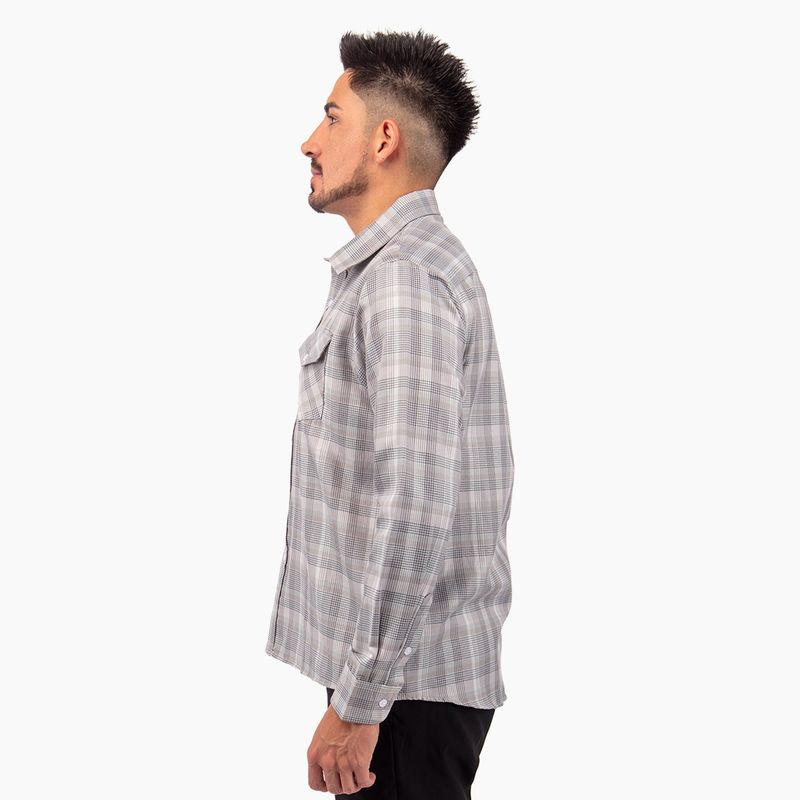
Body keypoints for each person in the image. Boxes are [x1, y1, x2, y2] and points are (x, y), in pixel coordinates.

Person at [265, 28, 515, 798]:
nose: (309, 141)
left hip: (404, 694)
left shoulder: (404, 278)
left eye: (331, 117)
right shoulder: (398, 270)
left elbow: (413, 504)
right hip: (400, 685)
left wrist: (361, 701)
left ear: (383, 140)